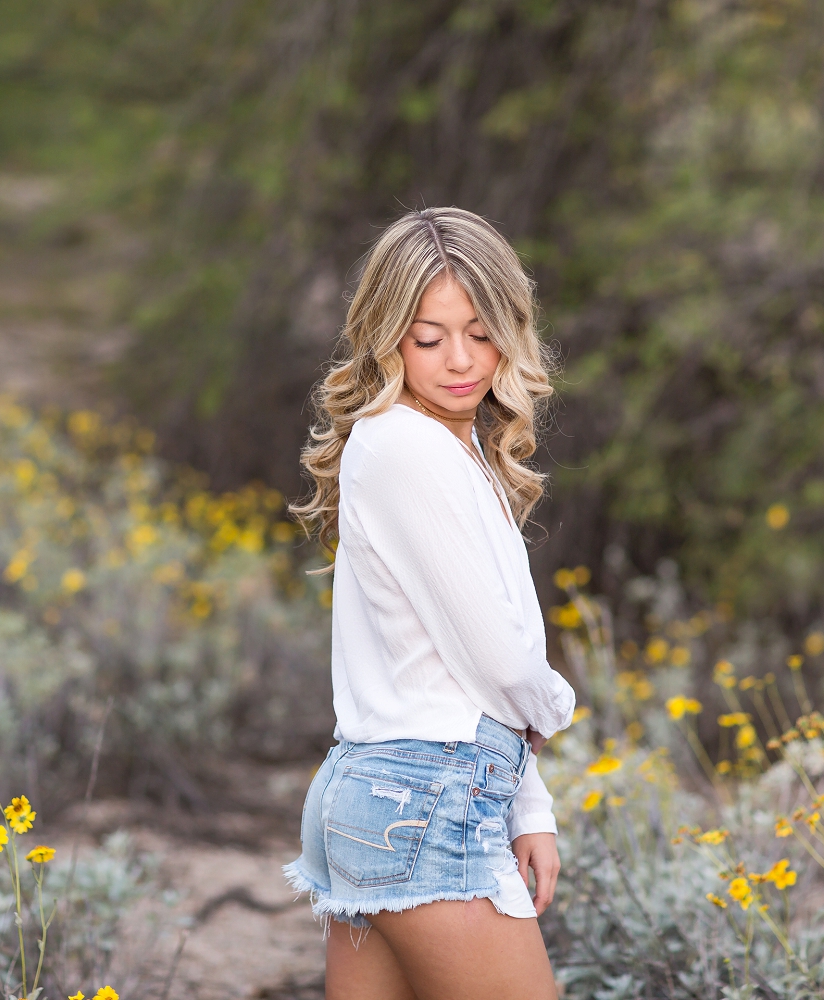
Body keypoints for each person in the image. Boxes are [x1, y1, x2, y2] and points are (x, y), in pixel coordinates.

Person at [284, 207, 576, 1000]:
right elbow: (497, 659)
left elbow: (459, 672)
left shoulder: (445, 442)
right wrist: (553, 709)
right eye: (428, 336)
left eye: (481, 332)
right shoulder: (408, 444)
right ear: (387, 337)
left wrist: (530, 808)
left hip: (381, 791)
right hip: (426, 801)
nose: (460, 360)